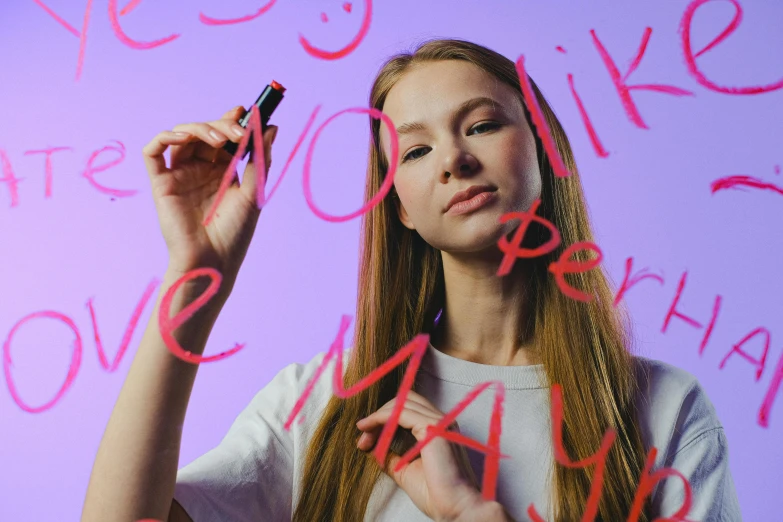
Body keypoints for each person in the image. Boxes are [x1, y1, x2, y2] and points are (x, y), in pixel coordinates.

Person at [81, 38, 742, 522]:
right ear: (398, 204)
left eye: (481, 125)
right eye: (416, 150)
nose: (453, 159)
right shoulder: (324, 405)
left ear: (544, 151)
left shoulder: (663, 411)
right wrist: (194, 284)